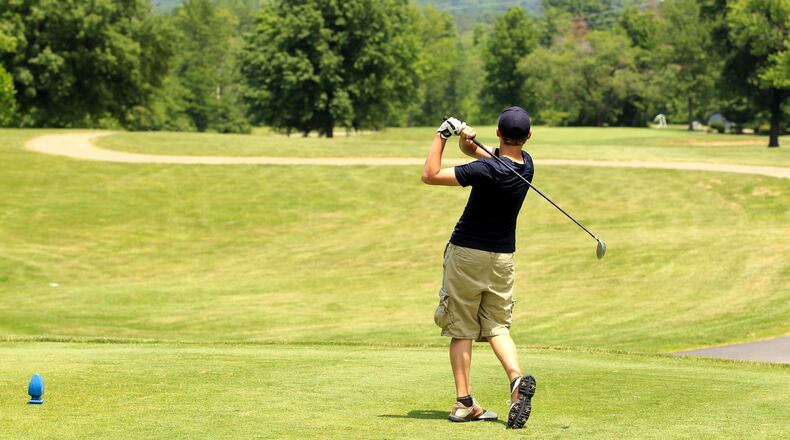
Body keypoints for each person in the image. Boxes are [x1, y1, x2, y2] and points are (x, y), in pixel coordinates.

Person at [421, 107, 537, 429]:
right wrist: (467, 140)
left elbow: (430, 174)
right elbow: (478, 154)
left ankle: (464, 402)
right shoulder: (526, 166)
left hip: (467, 255)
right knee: (497, 327)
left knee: (461, 329)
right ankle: (516, 380)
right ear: (528, 136)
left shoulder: (486, 170)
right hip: (502, 260)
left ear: (498, 132)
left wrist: (442, 135)